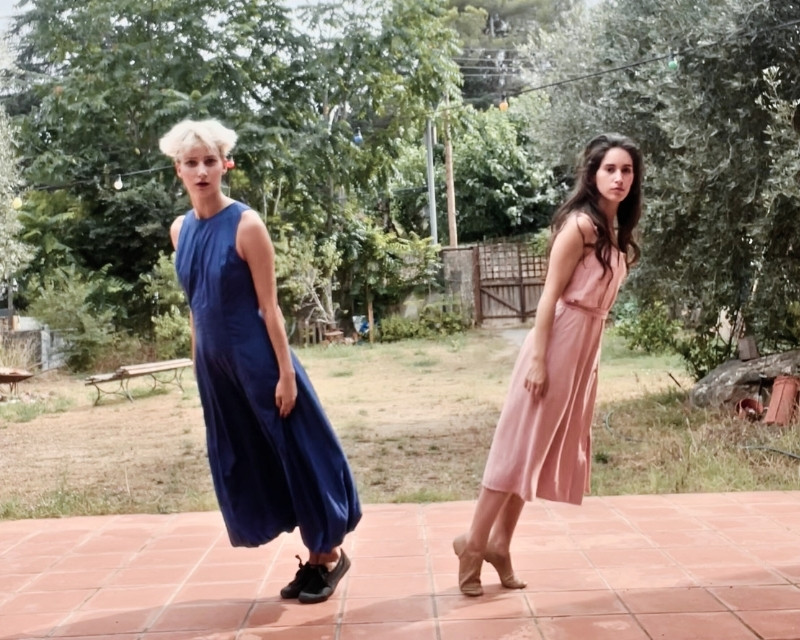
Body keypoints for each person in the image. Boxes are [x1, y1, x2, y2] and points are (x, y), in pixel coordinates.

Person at [160, 119, 361, 605]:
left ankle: (329, 555)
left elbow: (270, 308)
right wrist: (198, 365)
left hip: (260, 363)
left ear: (225, 165)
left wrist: (286, 374)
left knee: (296, 453)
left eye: (210, 161)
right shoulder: (180, 230)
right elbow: (196, 307)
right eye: (192, 163)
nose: (202, 171)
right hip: (216, 370)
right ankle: (315, 557)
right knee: (253, 458)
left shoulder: (247, 225)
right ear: (178, 170)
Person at [454, 133, 643, 596]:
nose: (619, 178)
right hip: (558, 341)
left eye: (627, 170)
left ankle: (501, 543)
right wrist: (538, 360)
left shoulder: (616, 232)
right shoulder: (579, 226)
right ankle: (473, 543)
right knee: (518, 445)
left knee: (538, 451)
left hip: (585, 349)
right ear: (593, 175)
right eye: (610, 169)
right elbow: (548, 297)